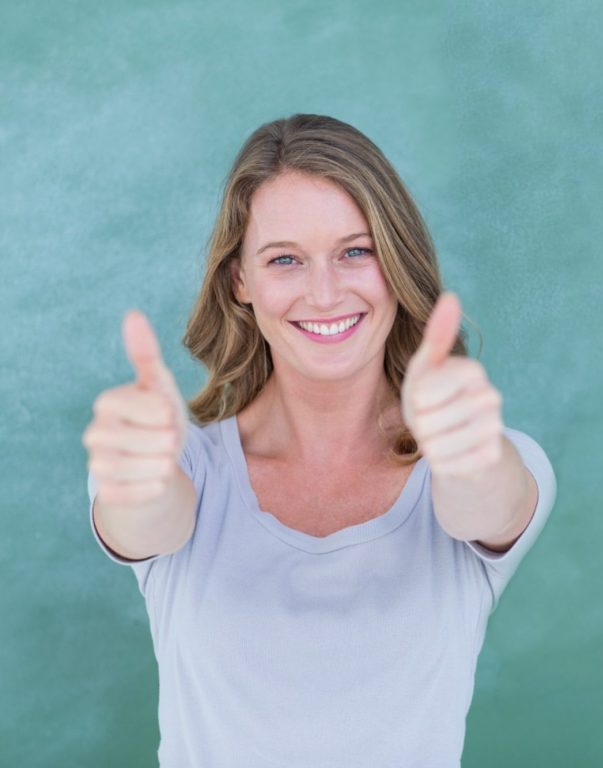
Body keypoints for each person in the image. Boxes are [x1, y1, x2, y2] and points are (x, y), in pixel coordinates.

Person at [82, 113, 557, 768]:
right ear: (239, 282)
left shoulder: (488, 458)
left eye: (355, 251)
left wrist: (467, 453)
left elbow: (488, 499)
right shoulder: (183, 464)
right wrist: (136, 478)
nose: (325, 292)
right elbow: (146, 518)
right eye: (284, 259)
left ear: (396, 261)